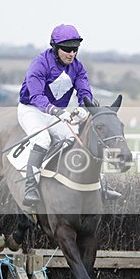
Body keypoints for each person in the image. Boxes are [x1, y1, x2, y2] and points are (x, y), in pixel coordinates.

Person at [17, 24, 120, 206]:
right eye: (67, 49)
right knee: (42, 140)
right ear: (55, 48)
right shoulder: (40, 64)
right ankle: (31, 188)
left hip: (56, 113)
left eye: (75, 49)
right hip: (32, 109)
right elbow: (36, 96)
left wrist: (83, 107)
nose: (71, 54)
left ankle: (101, 184)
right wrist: (55, 111)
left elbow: (84, 91)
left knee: (78, 141)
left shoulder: (78, 68)